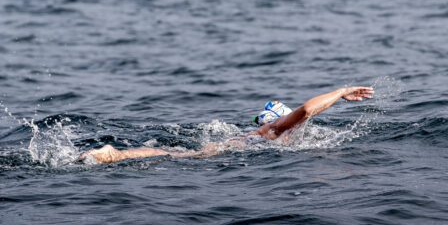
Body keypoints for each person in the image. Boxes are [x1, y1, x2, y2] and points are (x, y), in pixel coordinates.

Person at [79, 85, 374, 164]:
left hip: (232, 147)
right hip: (229, 151)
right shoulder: (275, 130)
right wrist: (340, 91)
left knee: (177, 153)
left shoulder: (265, 131)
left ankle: (115, 154)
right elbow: (308, 110)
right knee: (177, 156)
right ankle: (113, 155)